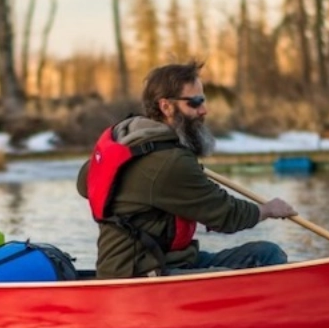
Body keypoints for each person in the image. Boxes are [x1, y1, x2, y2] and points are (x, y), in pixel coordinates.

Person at [77, 61, 297, 279]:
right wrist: (268, 209)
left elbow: (83, 184)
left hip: (169, 260)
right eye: (195, 102)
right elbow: (226, 215)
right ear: (166, 106)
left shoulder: (127, 140)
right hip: (140, 273)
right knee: (250, 269)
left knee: (265, 253)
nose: (204, 110)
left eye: (203, 100)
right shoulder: (169, 161)